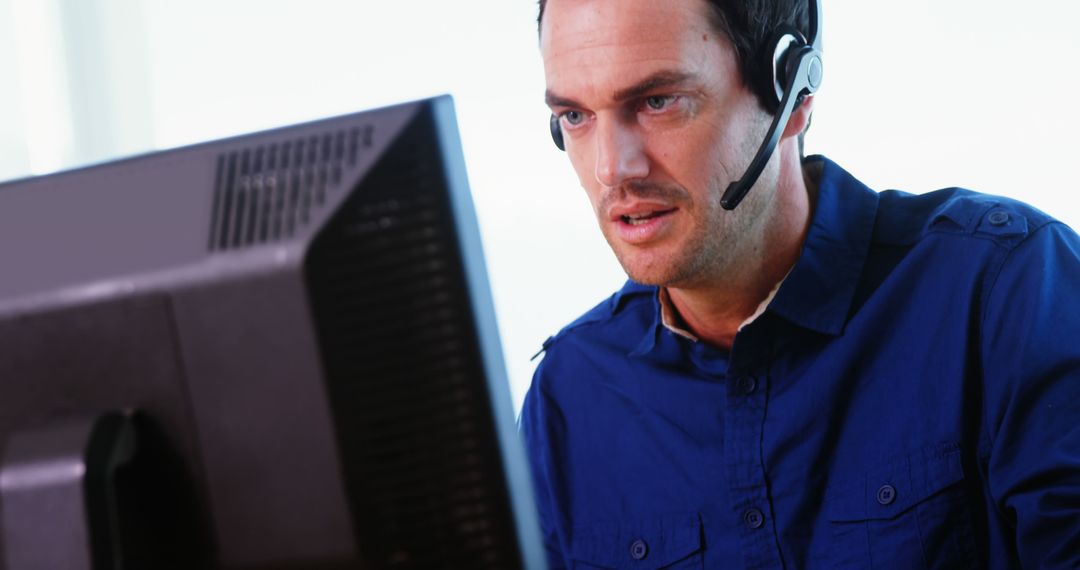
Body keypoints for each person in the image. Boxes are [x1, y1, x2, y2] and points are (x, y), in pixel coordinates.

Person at [518, 0, 1080, 568]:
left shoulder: (1007, 293)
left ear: (792, 93)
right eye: (575, 117)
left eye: (658, 102)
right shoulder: (566, 399)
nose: (612, 169)